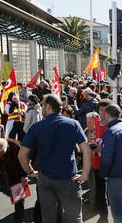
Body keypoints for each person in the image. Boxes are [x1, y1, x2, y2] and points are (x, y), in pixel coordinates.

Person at [18, 94, 92, 223]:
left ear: (47, 107)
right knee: (74, 217)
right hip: (68, 178)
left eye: (42, 105)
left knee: (48, 217)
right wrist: (85, 174)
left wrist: (30, 172)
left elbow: (22, 155)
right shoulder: (73, 124)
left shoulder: (36, 127)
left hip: (45, 178)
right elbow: (86, 150)